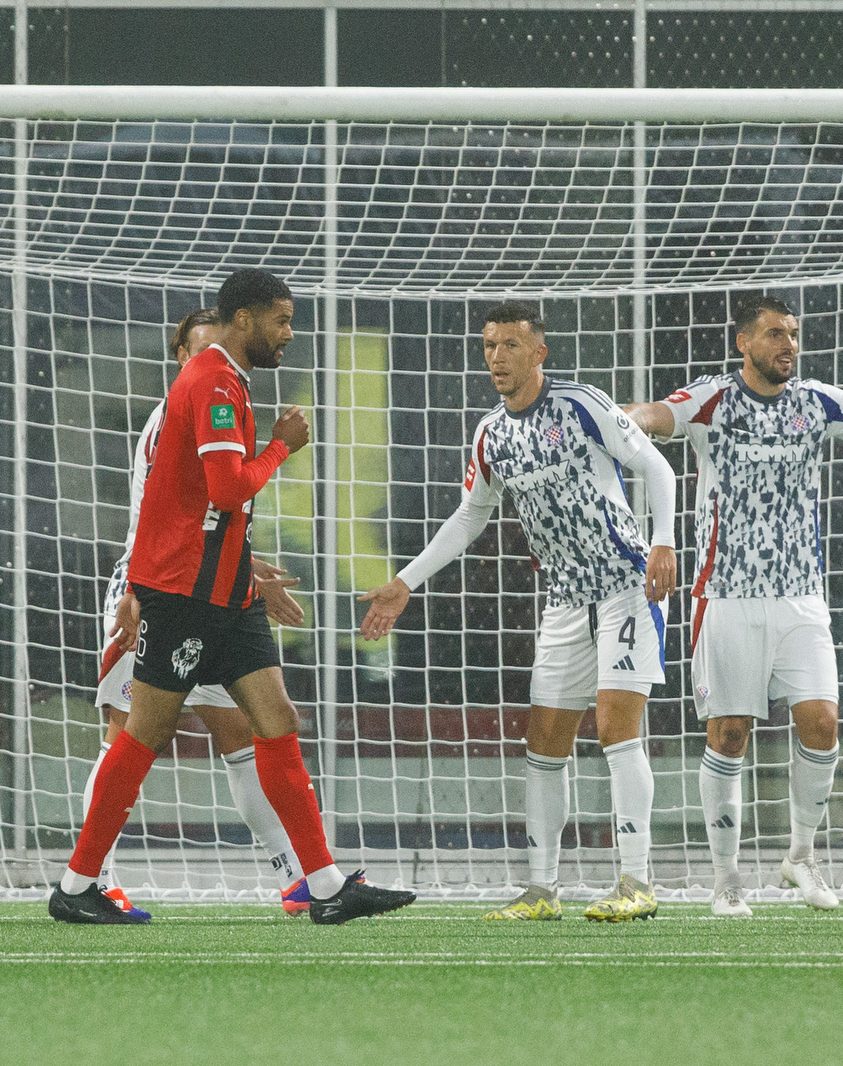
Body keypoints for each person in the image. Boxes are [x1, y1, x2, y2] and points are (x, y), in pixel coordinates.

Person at [49, 268, 415, 925]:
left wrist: (249, 570)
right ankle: (78, 884)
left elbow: (203, 505)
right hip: (187, 594)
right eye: (280, 320)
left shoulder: (225, 380)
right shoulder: (216, 381)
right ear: (243, 319)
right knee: (143, 735)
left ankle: (325, 885)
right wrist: (282, 445)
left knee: (275, 720)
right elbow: (225, 489)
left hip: (226, 590)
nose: (289, 333)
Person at [359, 302, 677, 922]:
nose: (496, 357)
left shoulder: (582, 405)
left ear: (539, 352)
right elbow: (471, 515)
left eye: (509, 344)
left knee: (615, 724)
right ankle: (541, 889)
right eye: (488, 346)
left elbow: (656, 467)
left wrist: (662, 540)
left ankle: (636, 882)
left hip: (624, 584)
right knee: (544, 743)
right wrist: (405, 581)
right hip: (561, 599)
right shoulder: (491, 434)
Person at [623, 294, 843, 916]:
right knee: (729, 734)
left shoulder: (817, 402)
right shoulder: (712, 399)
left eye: (794, 335)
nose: (789, 344)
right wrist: (610, 419)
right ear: (743, 343)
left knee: (823, 721)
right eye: (775, 334)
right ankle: (727, 880)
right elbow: (652, 416)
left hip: (800, 595)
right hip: (725, 596)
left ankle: (800, 856)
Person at [88, 308, 312, 918]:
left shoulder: (219, 402)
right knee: (128, 734)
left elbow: (212, 519)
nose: (210, 361)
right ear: (180, 356)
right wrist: (136, 593)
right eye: (198, 350)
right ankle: (95, 877)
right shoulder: (174, 417)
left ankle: (296, 876)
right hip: (153, 588)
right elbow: (172, 516)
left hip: (209, 588)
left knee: (243, 732)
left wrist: (246, 569)